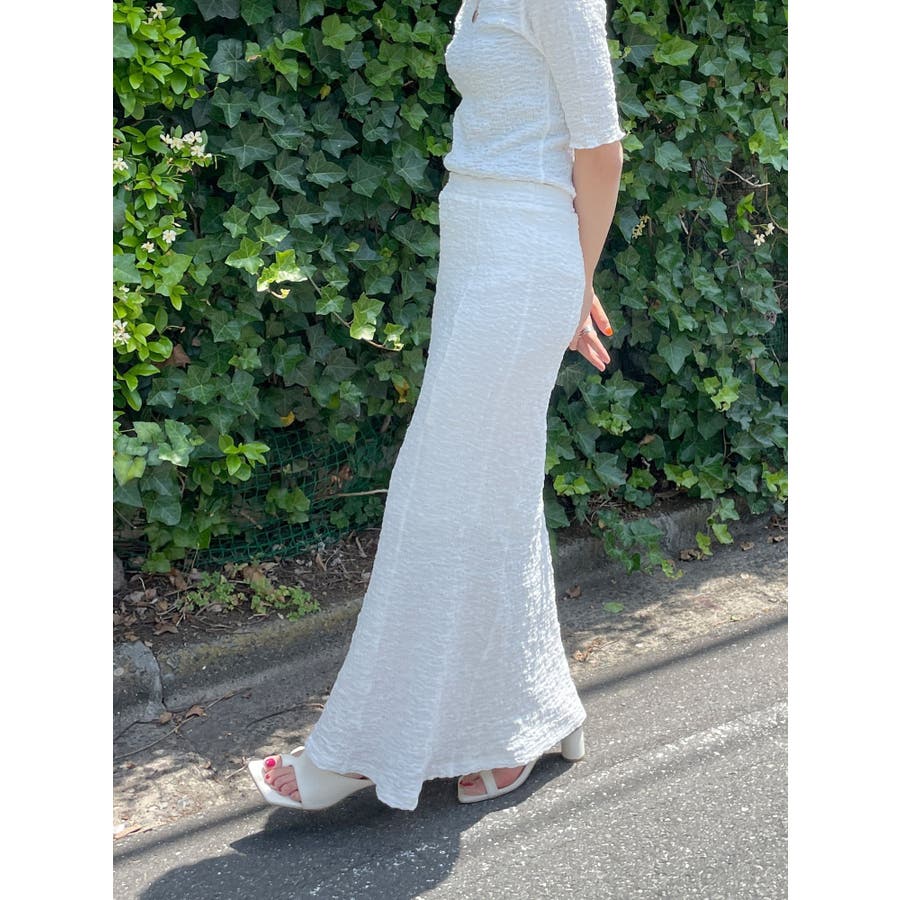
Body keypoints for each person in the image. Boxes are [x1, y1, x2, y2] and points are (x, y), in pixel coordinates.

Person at [248, 0, 625, 811]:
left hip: (523, 261)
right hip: (478, 253)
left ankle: (364, 745)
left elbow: (600, 149)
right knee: (493, 498)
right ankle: (537, 716)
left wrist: (577, 282)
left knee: (437, 493)